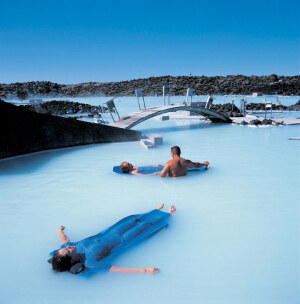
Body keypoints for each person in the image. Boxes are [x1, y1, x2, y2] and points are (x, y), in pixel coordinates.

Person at [48, 204, 176, 274]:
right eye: (68, 251)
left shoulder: (74, 247)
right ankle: (169, 213)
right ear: (72, 259)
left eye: (66, 248)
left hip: (113, 231)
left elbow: (65, 241)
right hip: (122, 239)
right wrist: (144, 270)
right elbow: (115, 269)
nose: (68, 247)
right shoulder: (90, 262)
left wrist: (59, 230)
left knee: (134, 219)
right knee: (144, 225)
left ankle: (155, 209)